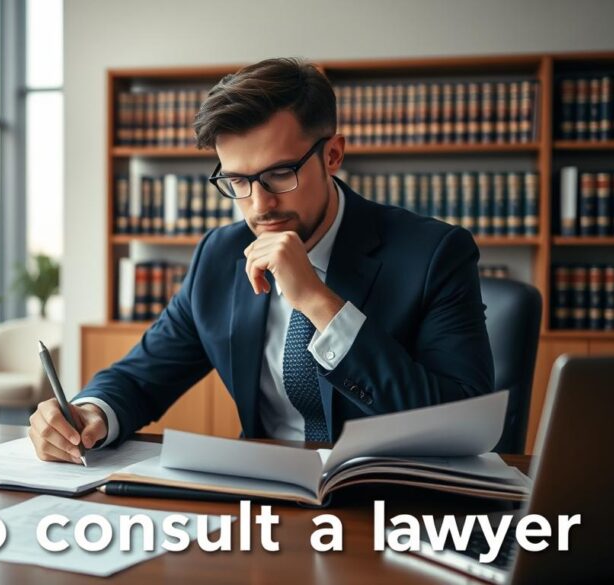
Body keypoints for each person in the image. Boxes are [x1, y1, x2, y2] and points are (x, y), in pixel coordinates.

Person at [28, 57, 494, 463]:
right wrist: (91, 412)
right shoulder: (220, 255)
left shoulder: (434, 254)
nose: (258, 205)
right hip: (264, 501)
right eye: (238, 181)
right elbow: (142, 377)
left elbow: (455, 424)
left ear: (332, 155)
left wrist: (318, 302)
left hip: (392, 507)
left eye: (279, 174)